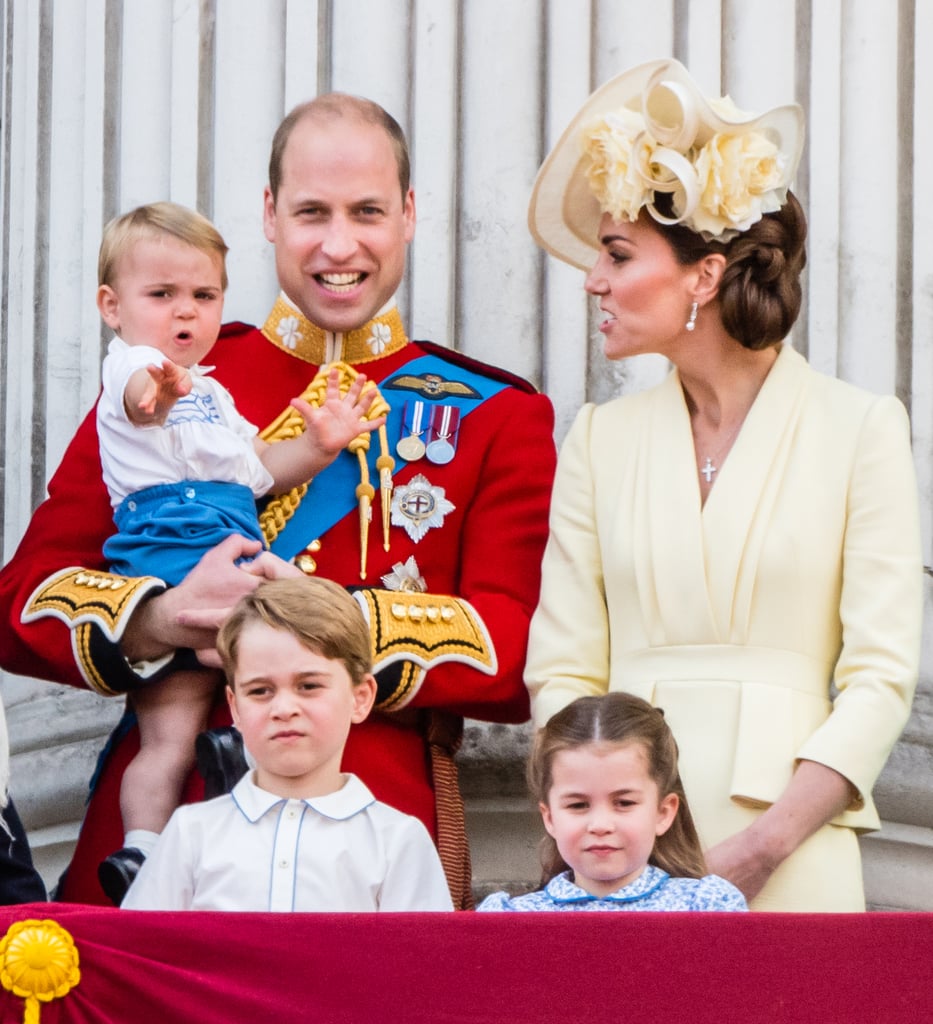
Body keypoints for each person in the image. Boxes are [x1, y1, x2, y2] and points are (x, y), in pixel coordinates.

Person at [0, 93, 556, 908]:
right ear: (268, 214)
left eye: (366, 211)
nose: (339, 244)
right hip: (162, 830)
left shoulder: (491, 413)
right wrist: (157, 618)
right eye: (310, 212)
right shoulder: (170, 380)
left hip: (368, 836)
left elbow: (515, 649)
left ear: (407, 214)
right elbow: (22, 599)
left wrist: (326, 622)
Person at [523, 59, 922, 911]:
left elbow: (879, 676)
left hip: (794, 843)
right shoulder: (599, 438)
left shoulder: (861, 428)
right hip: (614, 858)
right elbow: (560, 668)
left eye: (617, 254)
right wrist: (601, 822)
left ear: (702, 275)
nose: (592, 280)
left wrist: (764, 846)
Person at [92, 202, 383, 902]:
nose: (184, 314)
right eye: (161, 296)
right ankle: (143, 848)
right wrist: (157, 394)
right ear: (112, 305)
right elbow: (137, 402)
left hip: (226, 527)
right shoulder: (137, 366)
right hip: (165, 546)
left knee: (235, 681)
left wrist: (319, 446)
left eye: (203, 296)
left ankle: (224, 774)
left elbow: (256, 470)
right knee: (174, 720)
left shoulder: (217, 393)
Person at [122, 577, 452, 911]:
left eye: (308, 685)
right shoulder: (191, 834)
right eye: (260, 691)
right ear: (235, 707)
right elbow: (141, 954)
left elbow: (422, 961)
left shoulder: (396, 841)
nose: (283, 709)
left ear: (360, 698)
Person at [478, 693, 746, 911]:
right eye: (578, 805)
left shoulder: (706, 907)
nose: (600, 825)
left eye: (624, 803)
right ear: (549, 818)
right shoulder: (510, 919)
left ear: (663, 813)